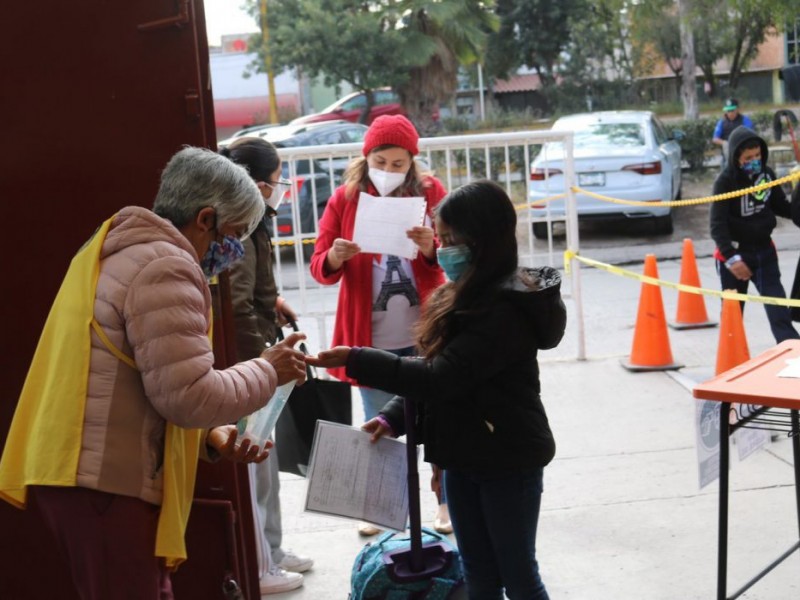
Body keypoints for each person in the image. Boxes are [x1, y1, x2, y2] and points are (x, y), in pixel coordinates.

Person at [0, 146, 309, 600]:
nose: (233, 252)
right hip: (104, 482)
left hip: (87, 474)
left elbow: (135, 378)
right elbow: (187, 397)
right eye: (235, 235)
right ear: (206, 220)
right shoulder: (165, 266)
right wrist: (267, 370)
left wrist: (211, 437)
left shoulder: (125, 248)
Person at [308, 179, 567, 600]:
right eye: (440, 237)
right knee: (479, 573)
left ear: (483, 241)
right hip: (463, 456)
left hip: (507, 459)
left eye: (451, 240)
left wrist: (356, 358)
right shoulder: (457, 295)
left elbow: (441, 377)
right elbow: (436, 371)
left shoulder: (505, 308)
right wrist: (391, 416)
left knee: (518, 576)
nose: (442, 248)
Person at [309, 114, 450, 536]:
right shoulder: (344, 199)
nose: (389, 171)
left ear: (413, 163)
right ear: (365, 157)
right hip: (369, 335)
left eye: (398, 163)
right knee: (377, 423)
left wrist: (431, 249)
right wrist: (336, 255)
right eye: (381, 160)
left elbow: (454, 253)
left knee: (439, 421)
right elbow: (319, 266)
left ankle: (445, 502)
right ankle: (379, 507)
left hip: (422, 330)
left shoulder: (432, 194)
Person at [222, 137, 314, 594]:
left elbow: (252, 292)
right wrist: (261, 364)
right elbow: (236, 306)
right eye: (276, 182)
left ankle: (272, 550)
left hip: (259, 357)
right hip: (250, 364)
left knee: (265, 462)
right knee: (254, 464)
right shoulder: (239, 226)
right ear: (258, 184)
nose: (278, 190)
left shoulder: (253, 220)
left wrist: (271, 302)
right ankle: (260, 563)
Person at [710, 125, 800, 343]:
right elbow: (717, 225)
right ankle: (730, 363)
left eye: (758, 155)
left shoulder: (766, 175)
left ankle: (792, 357)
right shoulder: (725, 182)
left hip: (764, 254)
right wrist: (731, 256)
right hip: (735, 257)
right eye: (748, 157)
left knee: (779, 313)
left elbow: (782, 207)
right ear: (736, 157)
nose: (754, 160)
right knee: (733, 317)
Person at [712, 98, 754, 169]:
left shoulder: (745, 120)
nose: (730, 113)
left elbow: (751, 134)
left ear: (737, 109)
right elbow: (715, 138)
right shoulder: (722, 122)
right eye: (728, 111)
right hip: (727, 156)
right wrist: (724, 143)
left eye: (732, 110)